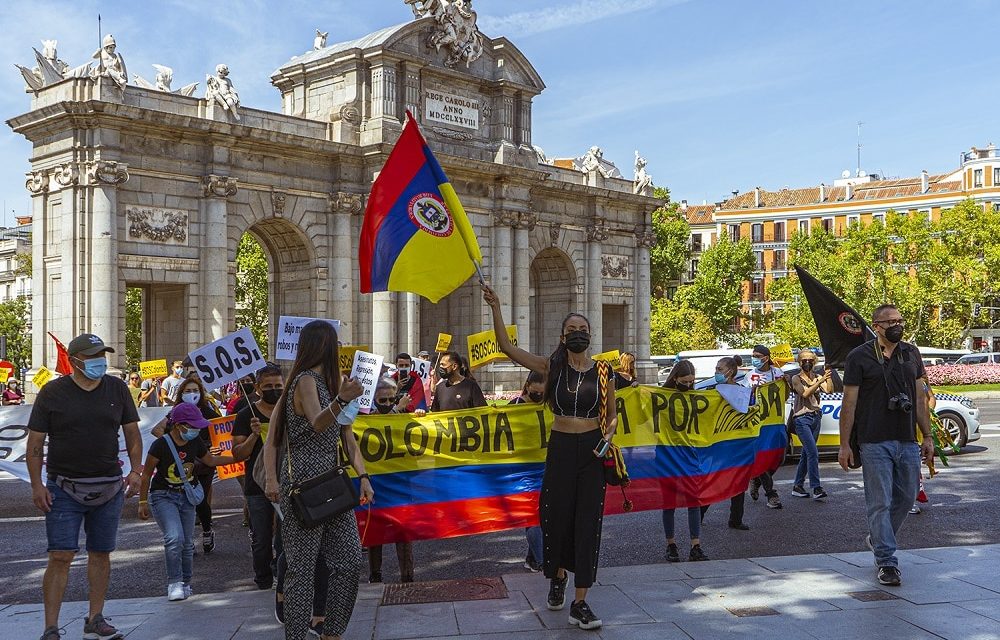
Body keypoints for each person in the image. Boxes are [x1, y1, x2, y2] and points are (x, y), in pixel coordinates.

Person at [483, 284, 614, 631]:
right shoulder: (550, 366)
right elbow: (506, 347)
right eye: (572, 330)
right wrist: (497, 307)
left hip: (591, 451)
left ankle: (580, 602)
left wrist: (610, 432)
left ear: (590, 335)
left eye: (583, 330)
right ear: (562, 336)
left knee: (588, 523)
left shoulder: (604, 373)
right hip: (560, 448)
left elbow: (612, 414)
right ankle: (557, 575)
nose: (578, 335)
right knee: (555, 518)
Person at [26, 333, 143, 640]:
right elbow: (35, 443)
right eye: (93, 357)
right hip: (64, 488)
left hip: (109, 488)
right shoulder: (52, 393)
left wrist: (136, 470)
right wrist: (38, 485)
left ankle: (95, 617)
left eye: (102, 355)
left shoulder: (117, 388)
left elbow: (132, 433)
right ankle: (51, 627)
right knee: (60, 555)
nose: (99, 362)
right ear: (75, 361)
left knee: (101, 553)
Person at [262, 320, 373, 640]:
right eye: (333, 344)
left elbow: (347, 438)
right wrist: (271, 479)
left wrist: (363, 476)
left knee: (350, 561)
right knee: (302, 570)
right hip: (303, 487)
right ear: (322, 346)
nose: (336, 350)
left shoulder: (333, 382)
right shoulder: (304, 381)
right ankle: (296, 635)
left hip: (333, 483)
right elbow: (317, 423)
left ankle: (332, 632)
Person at [839, 304, 934, 587]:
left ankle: (878, 538)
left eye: (900, 320)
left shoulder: (911, 353)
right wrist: (845, 445)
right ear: (876, 326)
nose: (897, 325)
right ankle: (887, 562)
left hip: (906, 439)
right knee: (879, 502)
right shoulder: (859, 357)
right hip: (873, 440)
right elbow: (849, 403)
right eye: (890, 321)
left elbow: (919, 399)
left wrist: (927, 436)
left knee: (906, 498)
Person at [137, 403, 234, 601]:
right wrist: (142, 501)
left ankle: (186, 583)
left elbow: (210, 461)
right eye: (192, 426)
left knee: (187, 542)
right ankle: (174, 583)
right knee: (174, 538)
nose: (196, 430)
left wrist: (237, 457)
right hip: (163, 495)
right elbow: (146, 475)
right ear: (179, 425)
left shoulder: (195, 441)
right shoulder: (160, 444)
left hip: (186, 496)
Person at [155, 375, 223, 553]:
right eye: (187, 391)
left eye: (195, 391)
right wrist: (170, 445)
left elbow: (224, 430)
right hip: (182, 464)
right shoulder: (175, 413)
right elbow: (157, 430)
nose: (192, 394)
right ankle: (188, 540)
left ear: (201, 393)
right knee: (185, 502)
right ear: (181, 393)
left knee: (199, 500)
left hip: (204, 463)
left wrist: (217, 447)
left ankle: (207, 530)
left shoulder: (207, 412)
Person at [232, 363, 284, 589]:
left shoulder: (289, 411)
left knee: (285, 539)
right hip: (257, 485)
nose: (274, 389)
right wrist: (253, 436)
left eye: (278, 386)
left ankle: (283, 578)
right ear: (257, 387)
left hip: (287, 483)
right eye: (269, 386)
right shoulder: (246, 415)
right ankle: (263, 579)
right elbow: (237, 454)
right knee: (262, 538)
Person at [366, 378, 415, 583]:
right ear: (374, 400)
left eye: (390, 400)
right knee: (375, 532)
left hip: (400, 484)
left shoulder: (404, 418)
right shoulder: (364, 421)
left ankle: (407, 575)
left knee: (403, 532)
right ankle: (375, 574)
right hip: (376, 485)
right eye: (382, 400)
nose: (386, 404)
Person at [660, 361, 709, 562]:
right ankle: (671, 544)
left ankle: (695, 545)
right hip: (666, 453)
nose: (688, 385)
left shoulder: (695, 398)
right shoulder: (661, 397)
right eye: (684, 382)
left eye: (691, 382)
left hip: (689, 453)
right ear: (674, 379)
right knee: (669, 502)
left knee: (693, 500)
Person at [700, 356, 752, 531]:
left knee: (738, 482)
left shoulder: (743, 392)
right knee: (713, 481)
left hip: (736, 444)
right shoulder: (711, 392)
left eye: (719, 370)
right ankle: (698, 515)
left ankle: (736, 519)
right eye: (716, 369)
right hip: (717, 444)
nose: (716, 373)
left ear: (730, 371)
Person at [509, 371, 546, 571]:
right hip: (523, 470)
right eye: (536, 392)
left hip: (546, 468)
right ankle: (541, 561)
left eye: (542, 392)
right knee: (533, 516)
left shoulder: (547, 406)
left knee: (543, 516)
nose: (539, 396)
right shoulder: (515, 406)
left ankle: (532, 558)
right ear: (528, 386)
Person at [741, 345, 783, 509]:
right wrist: (752, 392)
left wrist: (783, 383)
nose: (755, 359)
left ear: (766, 357)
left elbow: (784, 396)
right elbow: (743, 398)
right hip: (756, 423)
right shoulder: (750, 376)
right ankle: (771, 494)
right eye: (753, 355)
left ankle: (756, 479)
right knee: (761, 458)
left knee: (778, 458)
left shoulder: (777, 373)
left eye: (758, 356)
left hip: (774, 423)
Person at [789, 349, 833, 500]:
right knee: (813, 453)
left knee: (807, 454)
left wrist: (827, 376)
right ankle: (816, 487)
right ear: (799, 362)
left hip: (815, 417)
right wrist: (820, 381)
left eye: (810, 360)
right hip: (802, 419)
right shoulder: (796, 378)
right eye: (804, 360)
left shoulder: (818, 376)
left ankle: (797, 486)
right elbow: (805, 393)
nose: (807, 363)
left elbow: (829, 390)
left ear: (814, 361)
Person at [911, 375, 936, 514]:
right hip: (903, 428)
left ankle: (911, 499)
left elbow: (931, 398)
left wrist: (927, 414)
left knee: (914, 465)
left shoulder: (922, 380)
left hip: (918, 429)